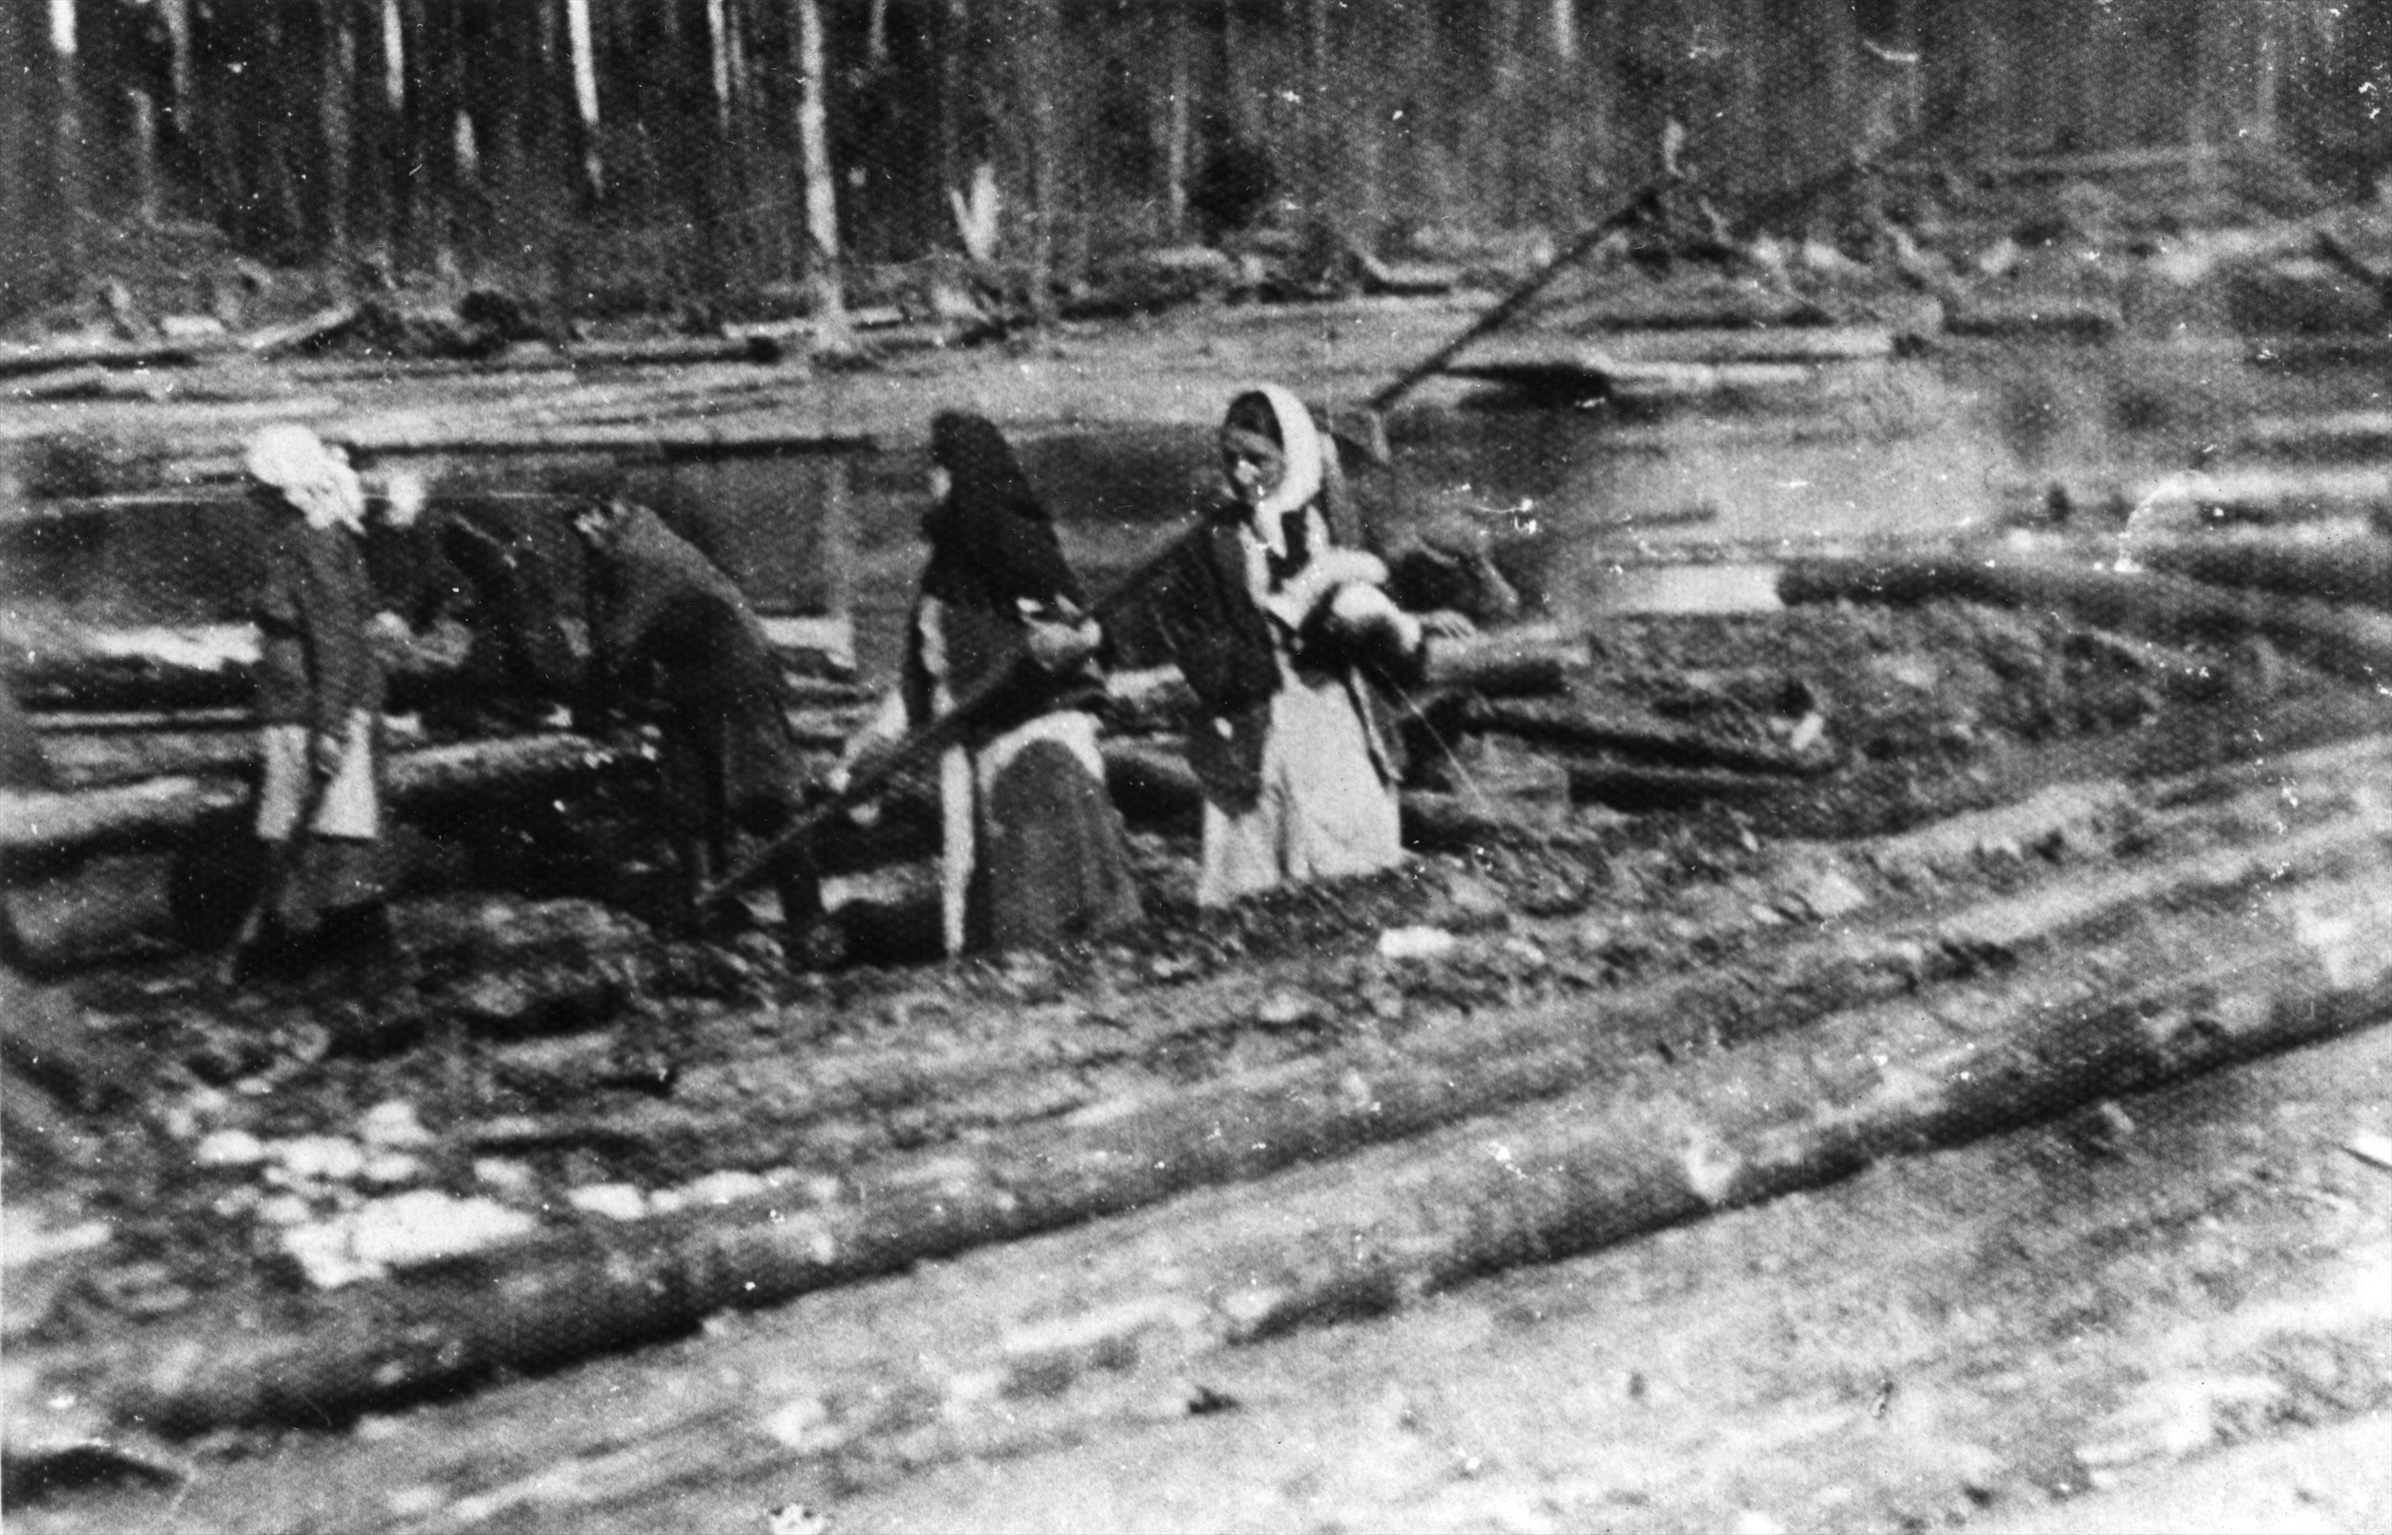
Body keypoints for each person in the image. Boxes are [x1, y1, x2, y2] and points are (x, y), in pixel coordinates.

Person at [1144, 384, 1470, 907]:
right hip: (1252, 735)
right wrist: (1289, 608)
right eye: (1230, 458)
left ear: (1293, 456)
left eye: (1258, 460)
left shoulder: (1329, 527)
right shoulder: (1208, 547)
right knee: (1253, 897)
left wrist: (1397, 624)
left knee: (1351, 884)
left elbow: (1382, 638)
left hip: (1335, 727)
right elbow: (1206, 665)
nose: (1241, 474)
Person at [836, 412, 1141, 957]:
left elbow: (1088, 633)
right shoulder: (943, 573)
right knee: (984, 896)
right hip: (971, 751)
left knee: (1057, 898)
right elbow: (923, 676)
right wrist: (874, 742)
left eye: (939, 468)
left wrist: (1070, 642)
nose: (930, 482)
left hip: (1038, 747)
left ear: (966, 472)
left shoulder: (1018, 546)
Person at [573, 496, 824, 951]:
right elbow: (621, 642)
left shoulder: (642, 554)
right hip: (689, 683)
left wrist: (587, 706)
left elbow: (618, 643)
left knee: (766, 798)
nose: (582, 531)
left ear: (613, 511)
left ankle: (808, 923)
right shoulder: (615, 554)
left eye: (588, 518)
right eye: (575, 523)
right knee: (689, 804)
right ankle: (711, 912)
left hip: (737, 677)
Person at [238, 423, 399, 983]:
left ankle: (348, 961)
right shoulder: (299, 538)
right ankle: (312, 956)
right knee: (302, 835)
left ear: (281, 490)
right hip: (294, 705)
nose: (251, 497)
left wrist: (329, 727)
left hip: (313, 708)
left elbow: (336, 641)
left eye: (258, 488)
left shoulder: (314, 543)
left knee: (337, 835)